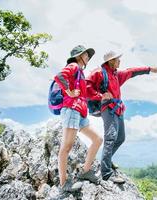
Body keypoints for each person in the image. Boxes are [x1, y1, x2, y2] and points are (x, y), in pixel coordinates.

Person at [86, 51, 157, 183]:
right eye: (117, 59)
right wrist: (100, 96)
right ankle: (107, 173)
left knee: (120, 138)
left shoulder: (116, 75)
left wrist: (149, 69)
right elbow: (86, 87)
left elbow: (131, 72)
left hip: (118, 109)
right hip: (107, 108)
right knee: (111, 137)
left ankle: (106, 161)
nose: (120, 61)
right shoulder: (99, 72)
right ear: (111, 61)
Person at [54, 45, 103, 191]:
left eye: (88, 55)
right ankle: (64, 183)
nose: (88, 56)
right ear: (78, 56)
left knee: (97, 139)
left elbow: (85, 94)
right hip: (71, 109)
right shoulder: (74, 66)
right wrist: (69, 92)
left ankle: (86, 171)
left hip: (80, 112)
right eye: (86, 54)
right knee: (66, 147)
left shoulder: (80, 72)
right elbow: (59, 76)